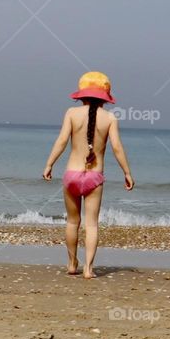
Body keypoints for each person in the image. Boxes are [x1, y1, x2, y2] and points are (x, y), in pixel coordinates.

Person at [43, 72, 135, 278]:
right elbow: (117, 148)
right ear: (105, 97)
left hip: (71, 175)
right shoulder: (110, 118)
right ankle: (88, 269)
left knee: (72, 222)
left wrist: (49, 164)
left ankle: (71, 264)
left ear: (81, 95)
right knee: (91, 224)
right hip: (94, 176)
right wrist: (127, 173)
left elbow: (61, 141)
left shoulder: (71, 113)